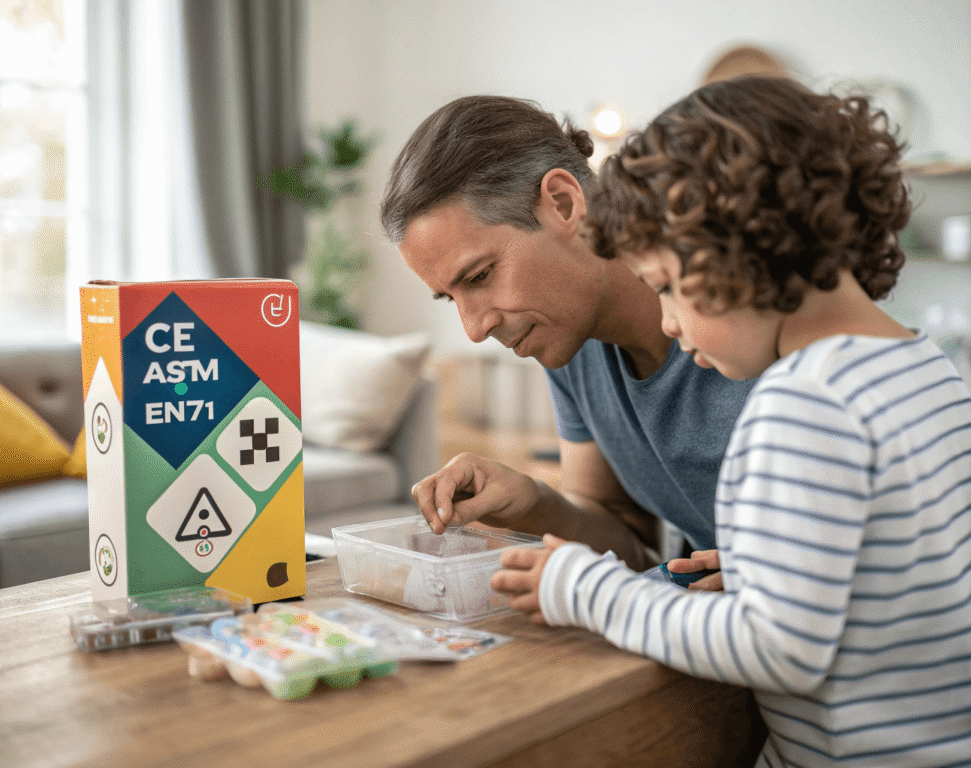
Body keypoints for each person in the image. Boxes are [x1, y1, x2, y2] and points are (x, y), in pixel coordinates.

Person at [491, 75, 971, 766]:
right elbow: (904, 572)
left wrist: (590, 592)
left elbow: (778, 651)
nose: (665, 320)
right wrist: (762, 568)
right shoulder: (925, 370)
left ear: (741, 241)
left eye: (664, 285)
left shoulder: (801, 402)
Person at [381, 95, 754, 573]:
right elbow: (634, 548)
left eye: (479, 277)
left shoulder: (743, 316)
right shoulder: (571, 341)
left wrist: (768, 578)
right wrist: (534, 502)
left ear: (562, 202)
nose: (475, 330)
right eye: (451, 298)